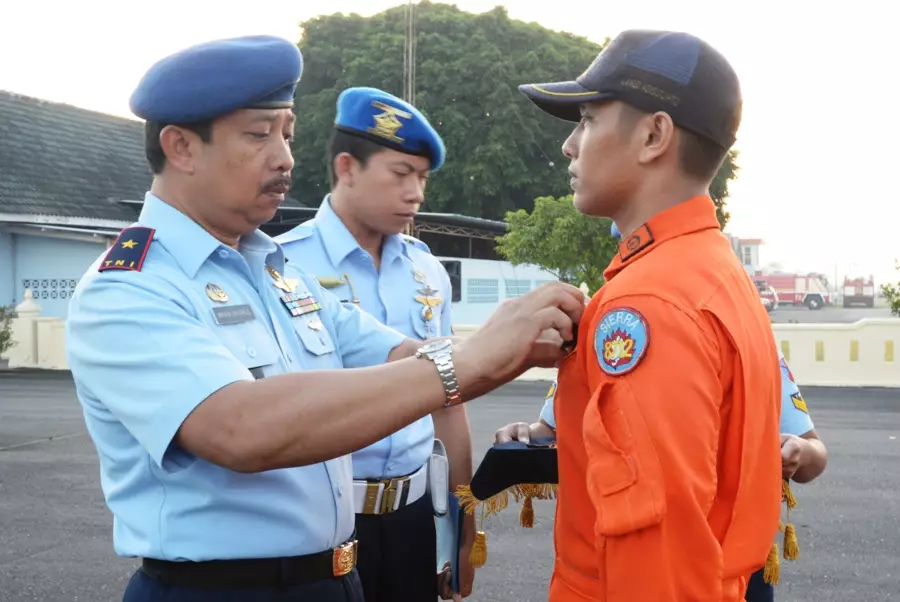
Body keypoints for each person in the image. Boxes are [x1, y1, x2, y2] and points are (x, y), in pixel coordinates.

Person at [64, 35, 586, 602]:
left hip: (337, 578)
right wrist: (471, 359)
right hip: (220, 589)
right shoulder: (130, 287)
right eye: (259, 135)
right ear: (182, 147)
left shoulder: (275, 273)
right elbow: (241, 428)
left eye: (287, 134)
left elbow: (400, 356)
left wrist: (511, 344)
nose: (285, 158)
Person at [511, 29, 784, 601]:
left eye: (586, 119)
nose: (569, 145)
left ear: (654, 135)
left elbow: (655, 552)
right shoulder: (712, 271)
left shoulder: (648, 303)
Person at [274, 86, 475, 601]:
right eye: (401, 174)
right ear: (348, 167)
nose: (416, 193)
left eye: (422, 178)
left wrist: (459, 517)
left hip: (412, 519)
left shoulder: (427, 269)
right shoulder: (282, 267)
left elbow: (448, 399)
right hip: (321, 524)